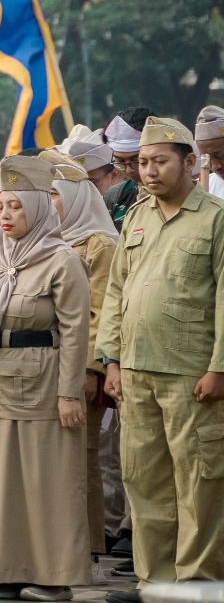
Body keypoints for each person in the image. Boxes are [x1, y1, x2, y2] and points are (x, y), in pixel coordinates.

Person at [0, 155, 91, 600]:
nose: (8, 214)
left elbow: (75, 332)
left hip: (42, 382)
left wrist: (70, 393)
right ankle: (6, 570)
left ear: (37, 207)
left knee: (46, 479)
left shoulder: (61, 260)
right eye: (3, 205)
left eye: (17, 205)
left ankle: (53, 578)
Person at [98, 117, 224, 592]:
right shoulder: (137, 216)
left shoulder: (215, 218)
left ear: (190, 162)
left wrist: (219, 368)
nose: (148, 172)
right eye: (143, 163)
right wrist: (109, 360)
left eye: (160, 162)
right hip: (136, 373)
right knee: (144, 482)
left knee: (199, 484)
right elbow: (117, 292)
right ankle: (156, 584)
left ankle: (197, 584)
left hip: (192, 375)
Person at [43, 150, 120, 561]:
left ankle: (88, 547)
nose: (49, 203)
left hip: (78, 367)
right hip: (45, 365)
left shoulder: (100, 243)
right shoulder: (48, 241)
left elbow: (101, 311)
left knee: (82, 458)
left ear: (74, 198)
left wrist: (91, 369)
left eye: (55, 196)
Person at [100, 108, 152, 231]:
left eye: (137, 161)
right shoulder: (114, 197)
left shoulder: (178, 196)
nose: (128, 170)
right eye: (120, 162)